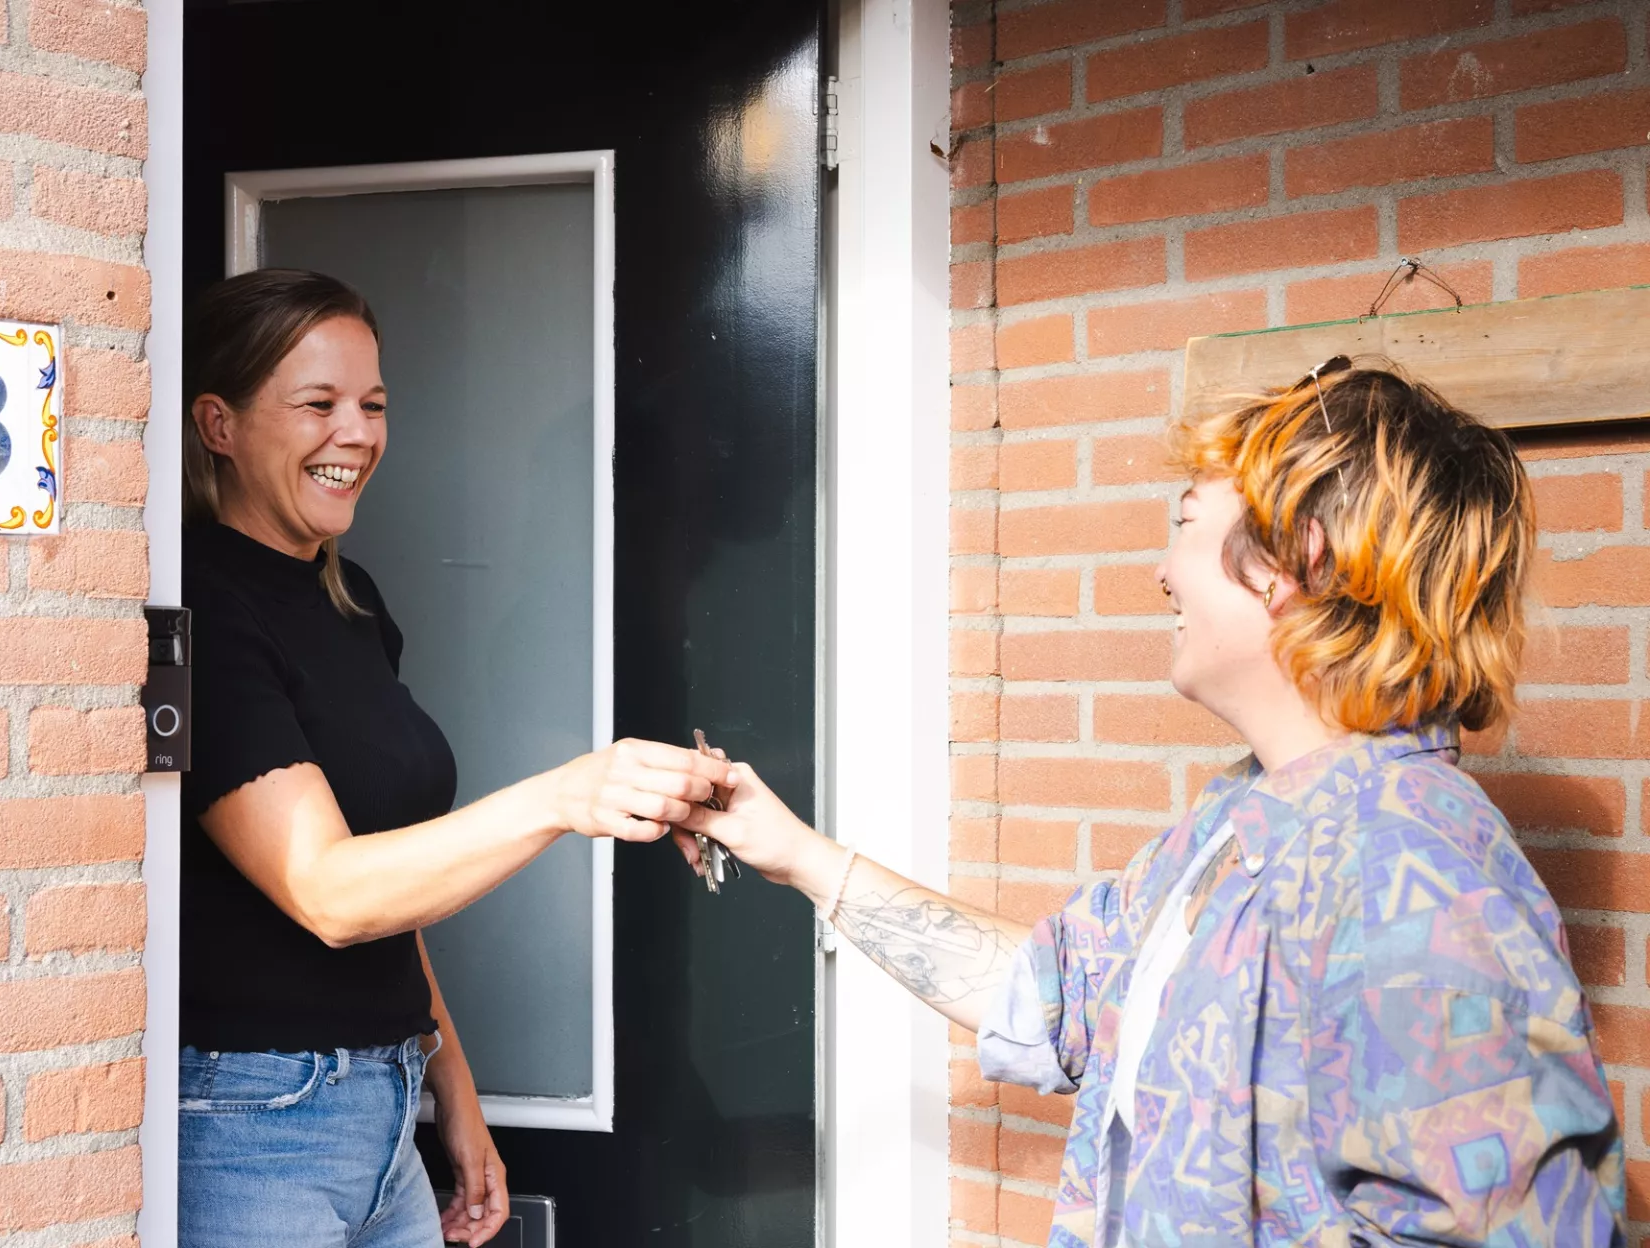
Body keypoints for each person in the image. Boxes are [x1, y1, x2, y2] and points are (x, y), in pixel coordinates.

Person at [682, 362, 1626, 1245]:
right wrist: (794, 851)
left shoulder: (1417, 877)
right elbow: (1056, 997)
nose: (1163, 570)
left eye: (1185, 522)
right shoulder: (1241, 820)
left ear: (1297, 556)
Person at [178, 268, 731, 1248]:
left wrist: (454, 1093)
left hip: (386, 1113)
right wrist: (566, 795)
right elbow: (331, 891)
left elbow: (399, 872)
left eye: (373, 404)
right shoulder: (207, 614)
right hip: (252, 1127)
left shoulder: (354, 607)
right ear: (218, 424)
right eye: (318, 404)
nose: (357, 433)